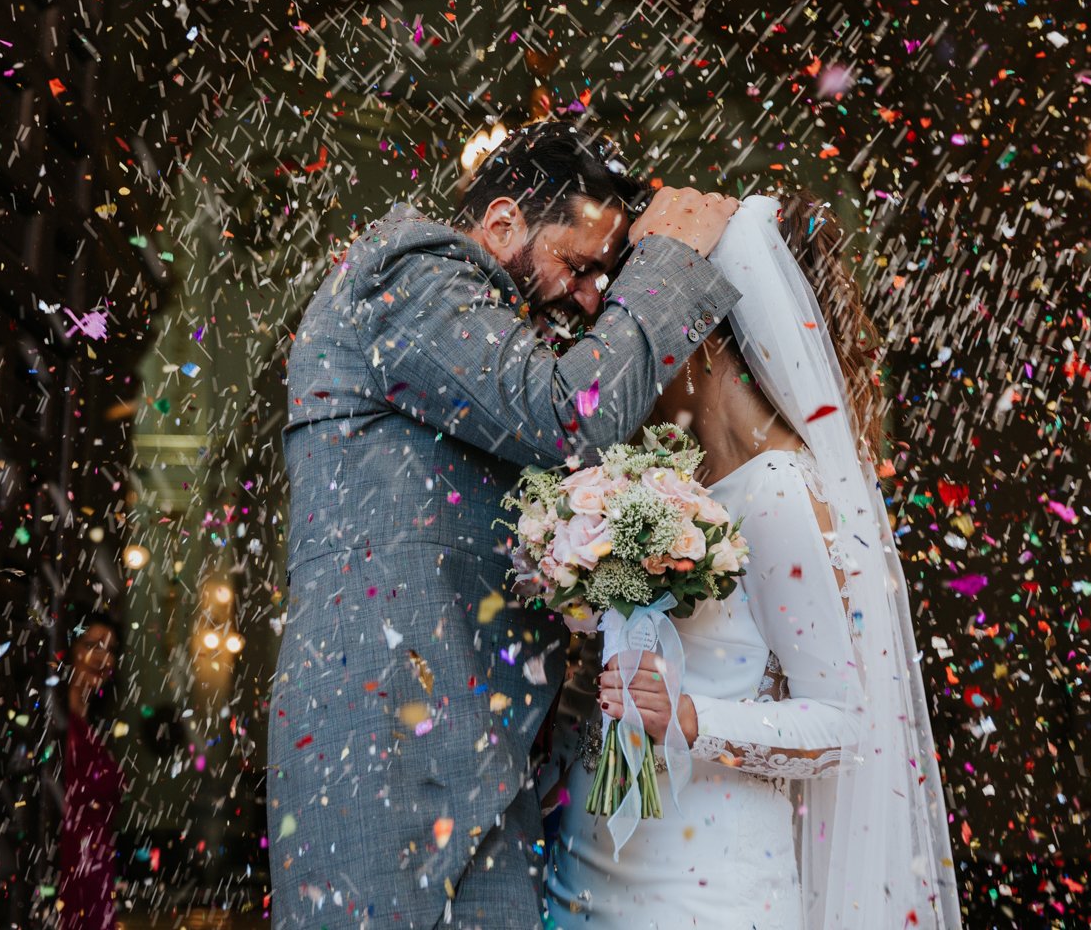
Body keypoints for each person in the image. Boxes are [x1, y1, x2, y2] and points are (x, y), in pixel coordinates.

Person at [266, 121, 743, 928]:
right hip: (386, 741)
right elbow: (565, 415)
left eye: (609, 275)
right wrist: (670, 266)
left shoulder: (494, 327)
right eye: (580, 265)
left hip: (479, 749)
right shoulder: (405, 268)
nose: (594, 297)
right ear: (500, 226)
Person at [545, 191, 962, 928]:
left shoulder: (775, 490)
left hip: (697, 888)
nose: (614, 341)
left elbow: (842, 724)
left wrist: (691, 717)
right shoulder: (648, 483)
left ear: (697, 334)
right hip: (583, 869)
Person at [60, 613, 124, 930]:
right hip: (64, 863)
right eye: (92, 645)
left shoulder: (94, 730)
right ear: (70, 651)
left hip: (96, 867)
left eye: (110, 649)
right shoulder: (57, 726)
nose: (102, 656)